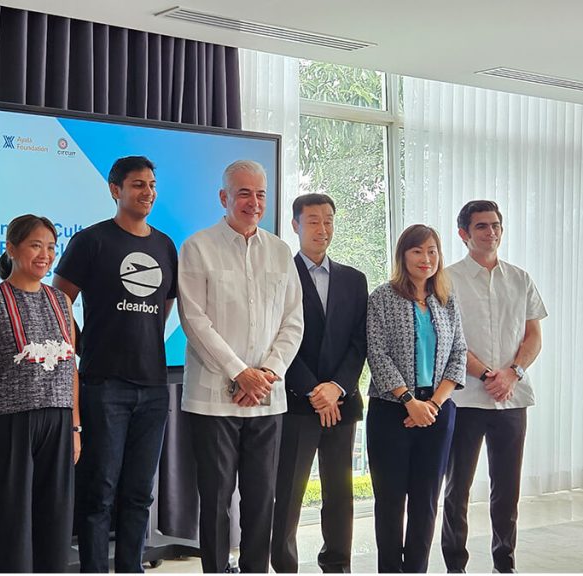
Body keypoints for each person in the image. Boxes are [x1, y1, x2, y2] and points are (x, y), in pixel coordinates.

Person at [53, 156, 178, 573]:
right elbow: (59, 300)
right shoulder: (91, 241)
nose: (148, 192)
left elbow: (164, 306)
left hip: (154, 387)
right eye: (138, 184)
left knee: (140, 494)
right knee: (100, 492)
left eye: (152, 185)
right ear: (115, 190)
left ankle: (130, 568)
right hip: (104, 384)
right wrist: (84, 345)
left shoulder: (165, 245)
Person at [178, 160, 303, 573]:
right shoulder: (197, 247)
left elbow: (293, 321)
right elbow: (194, 320)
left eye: (261, 194)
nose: (254, 202)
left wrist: (266, 374)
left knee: (261, 498)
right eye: (244, 193)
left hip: (267, 399)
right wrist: (239, 372)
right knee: (215, 499)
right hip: (213, 400)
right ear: (224, 197)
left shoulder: (280, 251)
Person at [0, 214, 81, 573]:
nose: (45, 255)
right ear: (12, 249)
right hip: (10, 425)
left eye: (50, 247)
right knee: (11, 525)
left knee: (55, 521)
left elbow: (70, 369)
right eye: (35, 245)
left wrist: (75, 427)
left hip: (58, 422)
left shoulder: (61, 301)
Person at [441, 200, 546, 574]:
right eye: (482, 226)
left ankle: (505, 563)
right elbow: (450, 339)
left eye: (496, 225)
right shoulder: (447, 279)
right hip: (464, 399)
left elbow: (533, 336)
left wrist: (512, 373)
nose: (491, 232)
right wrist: (488, 375)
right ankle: (455, 565)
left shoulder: (520, 278)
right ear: (464, 234)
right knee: (457, 489)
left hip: (512, 399)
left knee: (507, 489)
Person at [270, 193, 368, 573]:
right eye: (313, 221)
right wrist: (313, 390)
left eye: (328, 220)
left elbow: (359, 342)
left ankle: (337, 564)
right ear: (295, 225)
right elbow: (277, 339)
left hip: (341, 402)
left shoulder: (354, 280)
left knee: (340, 493)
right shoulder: (281, 275)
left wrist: (336, 388)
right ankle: (284, 566)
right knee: (289, 492)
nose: (322, 229)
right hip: (298, 402)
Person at [365, 224, 466, 573]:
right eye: (417, 251)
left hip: (437, 412)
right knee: (390, 502)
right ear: (403, 255)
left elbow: (459, 353)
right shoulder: (382, 297)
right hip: (391, 411)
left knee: (426, 502)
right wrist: (410, 401)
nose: (426, 259)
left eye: (432, 251)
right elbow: (377, 354)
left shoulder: (446, 299)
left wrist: (433, 404)